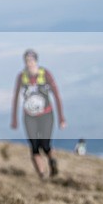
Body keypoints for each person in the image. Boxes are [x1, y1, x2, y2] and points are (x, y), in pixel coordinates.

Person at [11, 49, 66, 179]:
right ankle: (42, 176)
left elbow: (57, 95)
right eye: (26, 60)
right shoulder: (21, 77)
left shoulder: (45, 74)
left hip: (46, 115)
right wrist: (14, 119)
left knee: (45, 145)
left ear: (36, 60)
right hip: (29, 116)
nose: (29, 63)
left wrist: (61, 118)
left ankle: (53, 163)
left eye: (31, 60)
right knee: (34, 147)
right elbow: (15, 98)